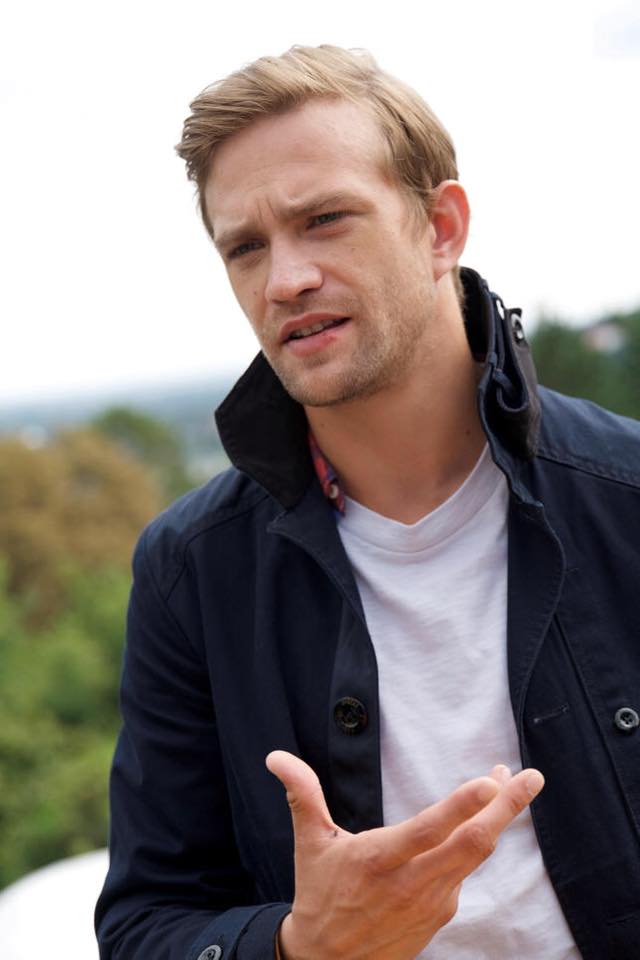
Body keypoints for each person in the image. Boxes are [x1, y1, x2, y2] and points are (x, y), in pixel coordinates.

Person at [95, 45, 640, 960]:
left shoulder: (626, 500)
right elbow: (146, 923)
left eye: (325, 220)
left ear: (441, 228)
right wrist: (299, 945)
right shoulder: (192, 570)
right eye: (246, 247)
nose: (285, 280)